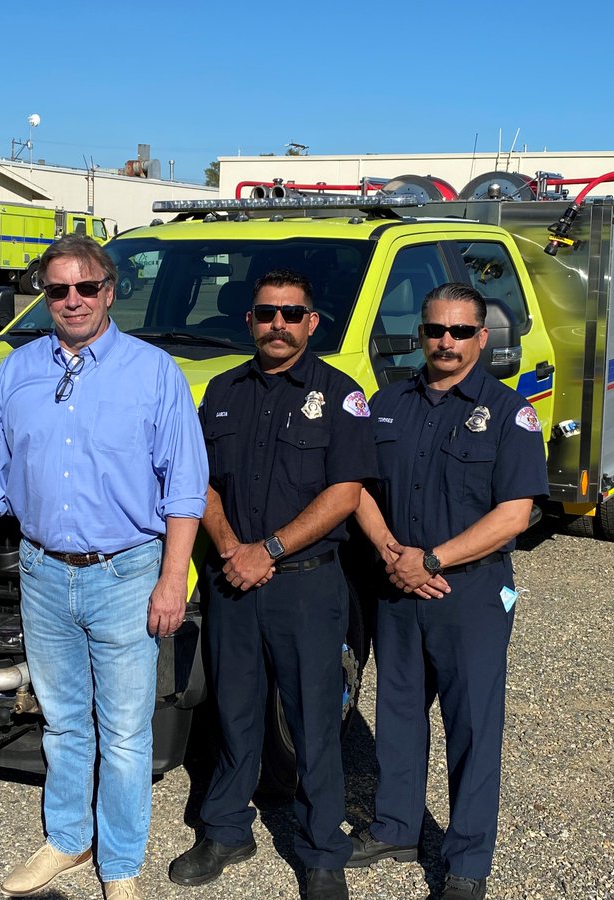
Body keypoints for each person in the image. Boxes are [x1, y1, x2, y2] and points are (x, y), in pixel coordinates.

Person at [0, 234, 208, 900]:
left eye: (86, 287)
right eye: (57, 290)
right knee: (62, 720)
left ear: (110, 291)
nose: (72, 301)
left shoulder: (153, 373)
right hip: (42, 571)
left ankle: (119, 866)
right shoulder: (18, 370)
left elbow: (184, 489)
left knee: (123, 731)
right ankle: (68, 839)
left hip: (126, 572)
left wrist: (173, 578)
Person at [168, 269, 376, 900]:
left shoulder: (341, 396)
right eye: (266, 314)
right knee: (232, 712)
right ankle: (227, 829)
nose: (278, 325)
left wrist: (272, 549)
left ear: (312, 323)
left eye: (291, 314)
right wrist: (232, 547)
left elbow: (346, 493)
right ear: (251, 320)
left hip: (305, 588)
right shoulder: (223, 390)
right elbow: (195, 478)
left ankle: (320, 852)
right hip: (233, 580)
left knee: (314, 722)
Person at [348, 282, 548, 900]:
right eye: (436, 330)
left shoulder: (508, 413)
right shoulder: (388, 405)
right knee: (400, 714)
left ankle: (466, 864)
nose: (446, 342)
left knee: (472, 727)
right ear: (421, 334)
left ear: (482, 338)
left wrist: (431, 558)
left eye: (461, 332)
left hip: (470, 595)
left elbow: (515, 514)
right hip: (399, 587)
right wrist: (392, 554)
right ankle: (397, 827)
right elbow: (357, 486)